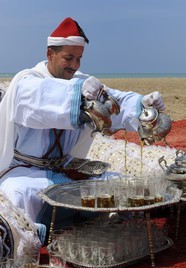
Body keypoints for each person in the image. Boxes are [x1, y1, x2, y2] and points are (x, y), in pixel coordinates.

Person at [0, 17, 165, 238]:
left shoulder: (81, 82)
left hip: (68, 169)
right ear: (50, 54)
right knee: (18, 193)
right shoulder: (27, 83)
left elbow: (115, 102)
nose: (75, 65)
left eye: (79, 59)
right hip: (26, 172)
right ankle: (32, 242)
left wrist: (142, 106)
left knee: (116, 183)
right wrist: (78, 94)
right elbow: (46, 98)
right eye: (69, 58)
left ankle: (102, 229)